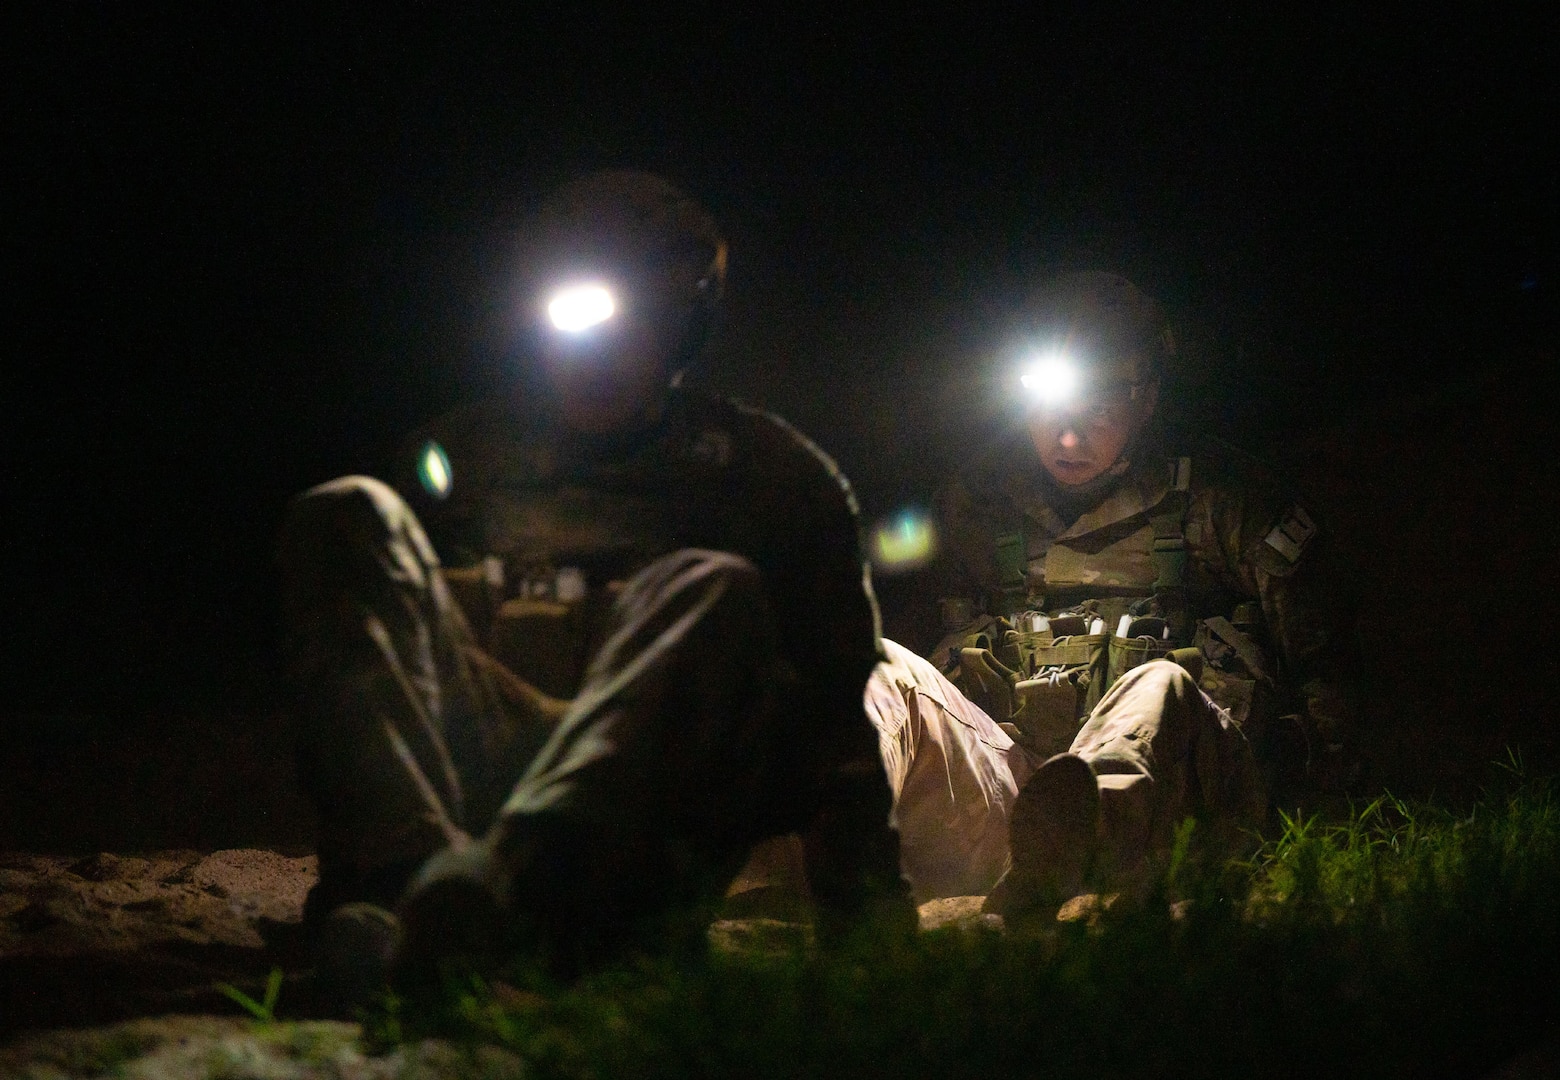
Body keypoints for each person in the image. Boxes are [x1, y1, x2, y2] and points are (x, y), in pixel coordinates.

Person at [277, 171, 911, 986]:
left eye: (632, 322)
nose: (595, 350)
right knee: (344, 513)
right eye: (572, 317)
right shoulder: (461, 460)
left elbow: (836, 729)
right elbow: (373, 667)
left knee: (712, 585)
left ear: (684, 329)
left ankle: (509, 899)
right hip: (476, 796)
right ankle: (408, 894)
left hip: (640, 830)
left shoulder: (771, 480)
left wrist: (869, 924)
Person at [879, 271, 1358, 914]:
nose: (1067, 435)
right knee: (879, 667)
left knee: (1158, 685)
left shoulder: (1220, 501)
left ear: (1147, 399)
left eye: (1098, 405)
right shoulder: (978, 509)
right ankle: (786, 874)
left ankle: (1076, 872)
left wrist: (1323, 812)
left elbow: (1332, 666)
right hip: (1019, 791)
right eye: (1047, 402)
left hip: (1181, 809)